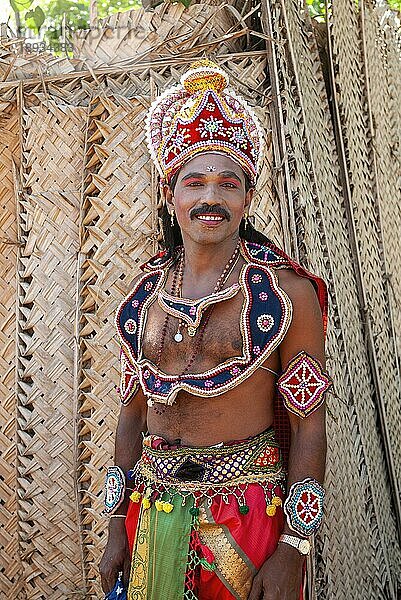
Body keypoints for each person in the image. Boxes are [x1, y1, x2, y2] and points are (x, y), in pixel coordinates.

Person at [99, 59, 331, 600]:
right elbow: (131, 417)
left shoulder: (284, 296)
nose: (212, 198)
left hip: (247, 525)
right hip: (152, 519)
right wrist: (114, 526)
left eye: (228, 184)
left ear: (247, 198)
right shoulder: (144, 296)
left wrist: (294, 548)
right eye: (194, 182)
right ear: (170, 195)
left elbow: (310, 428)